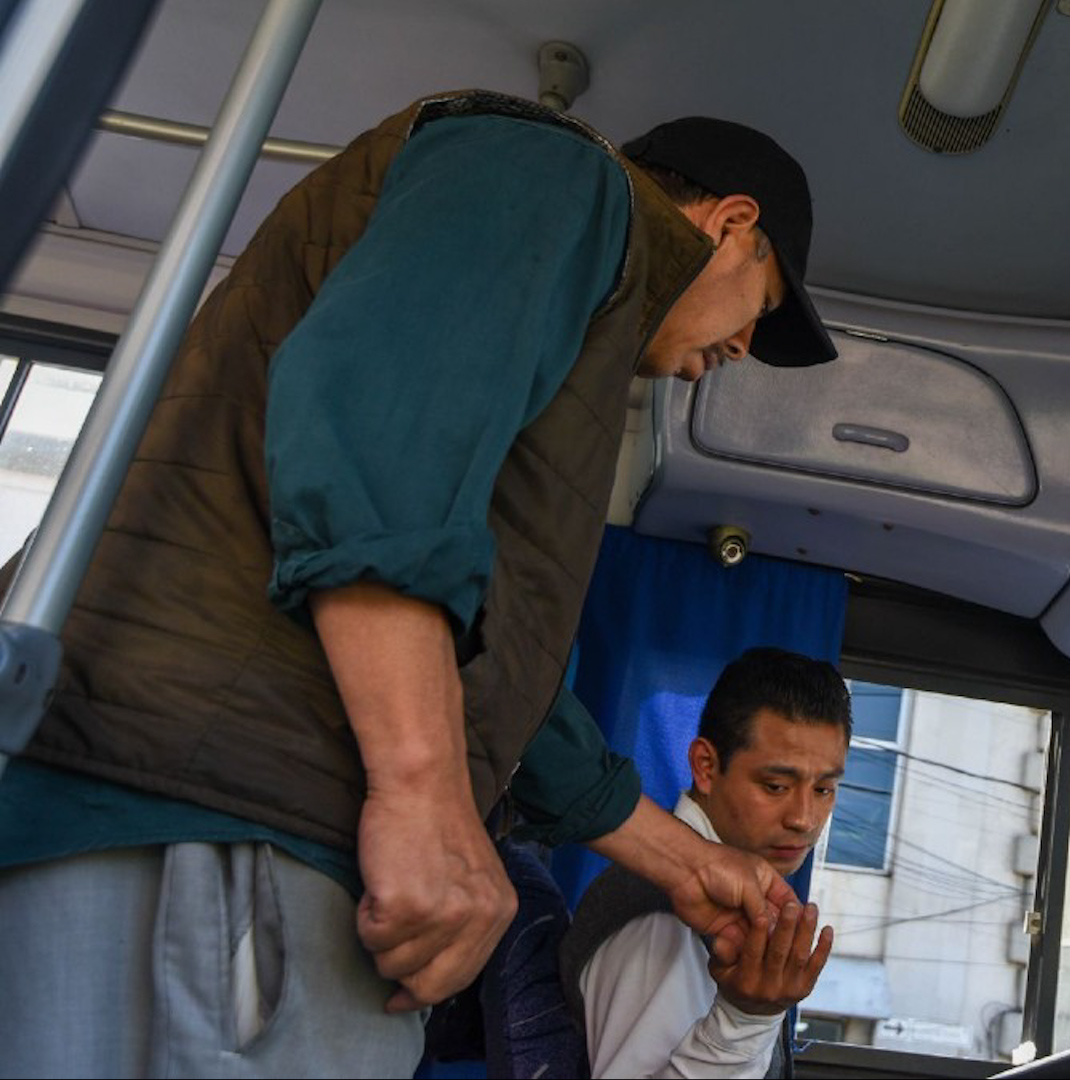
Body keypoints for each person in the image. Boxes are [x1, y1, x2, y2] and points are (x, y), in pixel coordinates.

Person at [0, 88, 838, 1077]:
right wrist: (423, 794)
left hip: (230, 809)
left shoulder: (567, 311)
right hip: (231, 812)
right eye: (763, 307)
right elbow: (371, 437)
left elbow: (502, 687)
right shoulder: (561, 177)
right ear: (733, 226)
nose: (738, 351)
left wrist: (690, 864)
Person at [560, 647, 849, 1079]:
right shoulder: (664, 921)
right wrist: (745, 1020)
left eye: (824, 790)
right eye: (775, 786)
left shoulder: (735, 904)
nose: (804, 819)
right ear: (706, 766)